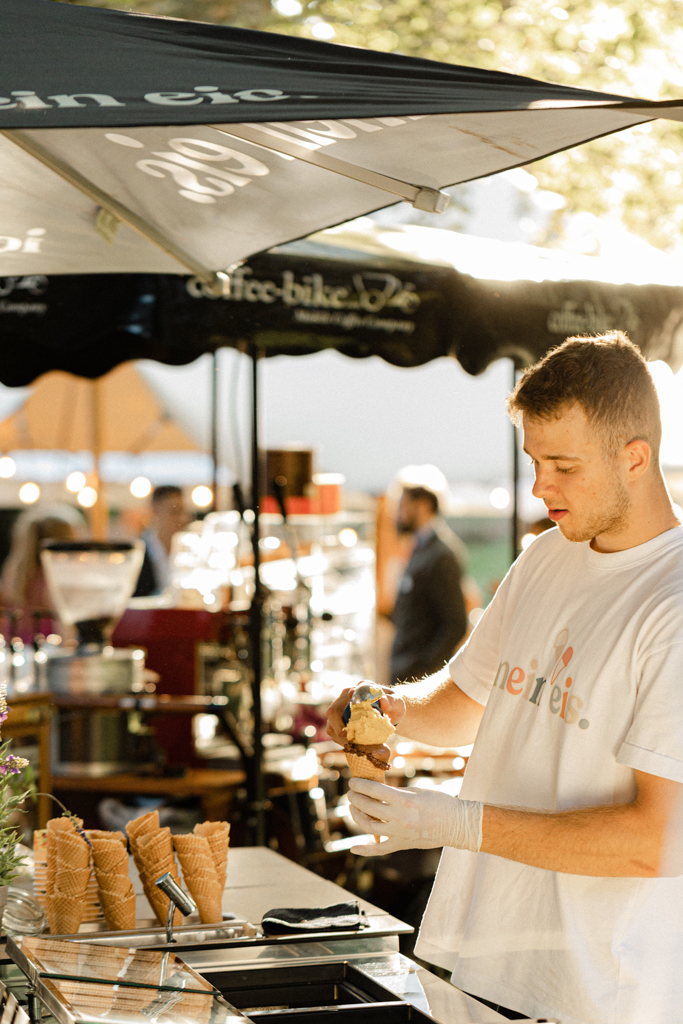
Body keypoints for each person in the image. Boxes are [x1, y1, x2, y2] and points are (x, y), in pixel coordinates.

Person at [327, 332, 683, 1024]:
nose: (538, 487)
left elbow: (656, 840)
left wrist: (453, 822)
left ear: (634, 458)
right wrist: (390, 708)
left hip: (601, 989)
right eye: (533, 462)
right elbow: (468, 699)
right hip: (481, 955)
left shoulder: (671, 602)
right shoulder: (547, 555)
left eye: (562, 466)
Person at [390, 480, 468, 684]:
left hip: (416, 676)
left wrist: (423, 669)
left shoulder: (441, 554)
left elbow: (455, 624)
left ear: (423, 506)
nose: (399, 514)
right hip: (405, 670)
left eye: (403, 506)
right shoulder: (421, 548)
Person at [1, 504, 83, 640]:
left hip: (17, 645)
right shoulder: (59, 578)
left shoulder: (15, 572)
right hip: (50, 646)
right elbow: (67, 631)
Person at [133, 485, 189, 597]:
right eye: (174, 511)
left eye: (183, 511)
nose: (182, 518)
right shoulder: (137, 551)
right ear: (155, 511)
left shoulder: (188, 551)